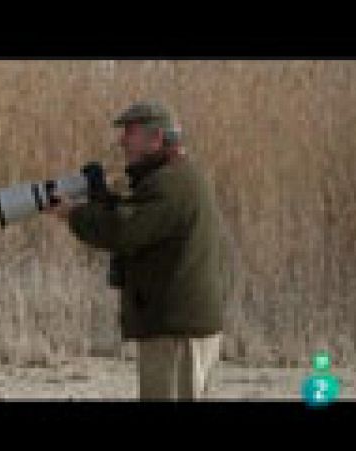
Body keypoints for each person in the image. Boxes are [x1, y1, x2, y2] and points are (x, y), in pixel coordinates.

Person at [45, 100, 227, 400]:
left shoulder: (170, 184)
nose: (122, 141)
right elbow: (134, 217)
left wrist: (74, 214)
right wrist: (100, 201)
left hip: (177, 331)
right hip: (178, 326)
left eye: (130, 132)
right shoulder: (171, 178)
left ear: (156, 139)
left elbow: (124, 229)